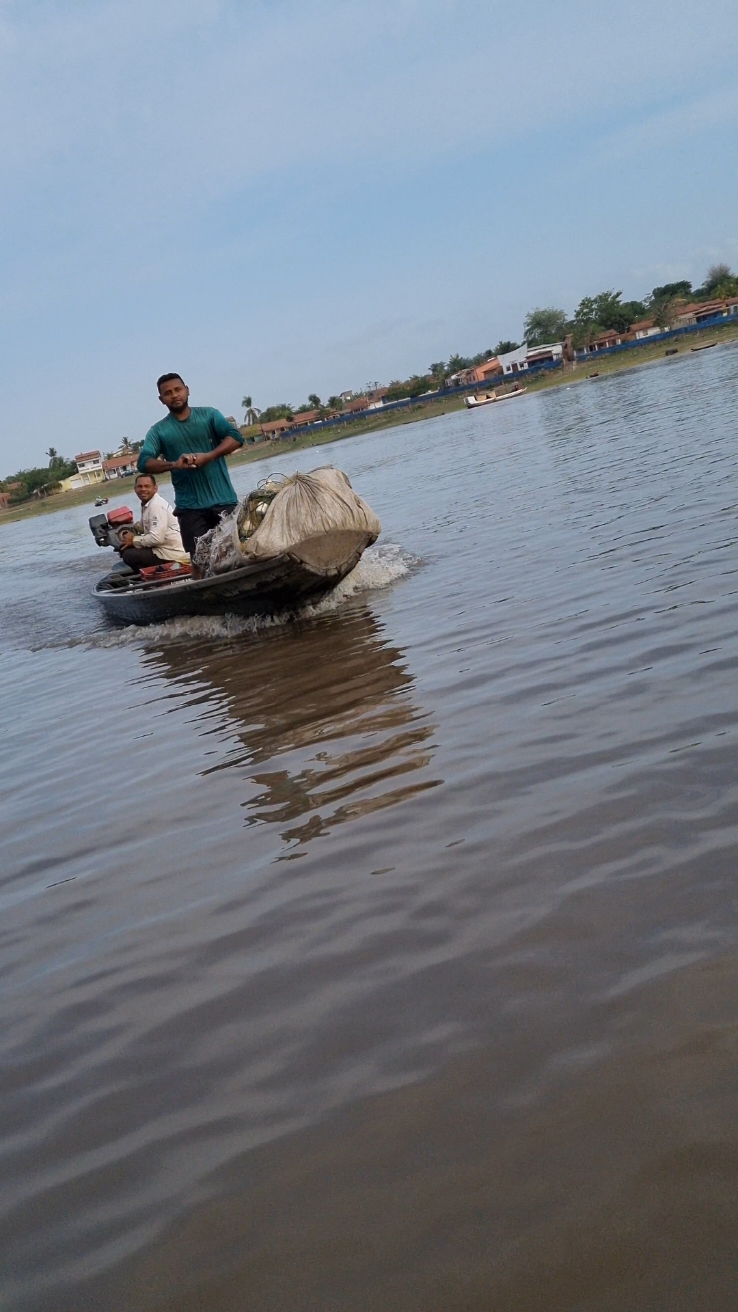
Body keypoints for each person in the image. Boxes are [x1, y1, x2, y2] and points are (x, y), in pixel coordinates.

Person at [136, 373, 244, 559]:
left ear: (187, 390)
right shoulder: (159, 431)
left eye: (178, 389)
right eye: (168, 393)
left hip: (224, 502)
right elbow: (143, 462)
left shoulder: (209, 415)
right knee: (199, 560)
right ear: (161, 400)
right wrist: (175, 464)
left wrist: (208, 456)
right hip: (190, 510)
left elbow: (236, 437)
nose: (175, 395)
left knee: (237, 553)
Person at [117, 473, 190, 570]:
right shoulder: (147, 504)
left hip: (170, 553)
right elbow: (143, 525)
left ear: (155, 488)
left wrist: (134, 540)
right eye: (140, 486)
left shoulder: (156, 506)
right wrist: (131, 529)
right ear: (135, 489)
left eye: (147, 486)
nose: (143, 489)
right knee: (124, 548)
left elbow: (156, 539)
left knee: (128, 554)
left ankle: (151, 578)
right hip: (163, 549)